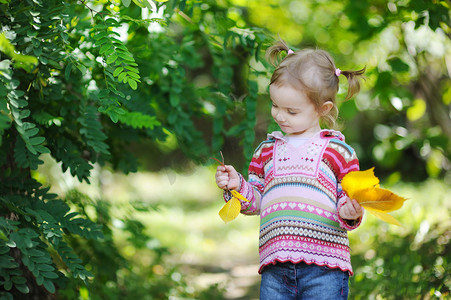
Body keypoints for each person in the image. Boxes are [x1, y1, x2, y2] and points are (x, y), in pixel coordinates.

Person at [215, 39, 366, 300]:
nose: (280, 116)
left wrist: (350, 211)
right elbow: (257, 201)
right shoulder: (266, 151)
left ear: (323, 109)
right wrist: (237, 186)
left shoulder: (339, 152)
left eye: (291, 111)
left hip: (325, 267)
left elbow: (349, 198)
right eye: (275, 105)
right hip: (275, 267)